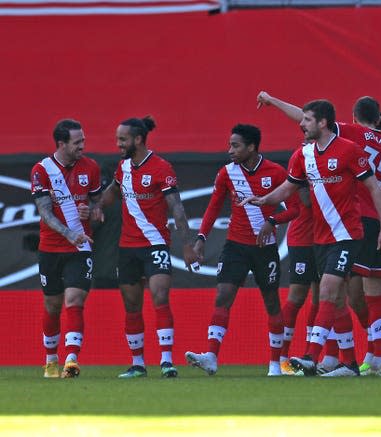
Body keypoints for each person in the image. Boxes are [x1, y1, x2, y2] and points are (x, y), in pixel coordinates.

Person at [257, 92, 381, 376]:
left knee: (334, 291)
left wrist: (274, 101)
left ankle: (315, 356)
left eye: (309, 121)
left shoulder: (350, 141)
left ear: (331, 122)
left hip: (351, 228)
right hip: (329, 233)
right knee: (349, 297)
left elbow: (375, 189)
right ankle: (361, 358)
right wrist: (265, 200)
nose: (302, 125)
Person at [184, 124, 298, 377]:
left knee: (271, 303)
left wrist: (272, 222)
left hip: (265, 250)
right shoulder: (226, 173)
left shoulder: (276, 172)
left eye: (235, 146)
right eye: (229, 145)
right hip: (235, 246)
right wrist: (201, 238)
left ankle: (274, 365)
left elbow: (294, 208)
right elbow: (213, 207)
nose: (230, 150)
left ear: (252, 147)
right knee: (223, 296)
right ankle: (211, 357)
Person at [102, 115, 198, 378]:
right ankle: (138, 364)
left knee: (159, 297)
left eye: (122, 139)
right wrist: (98, 206)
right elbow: (113, 189)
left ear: (138, 139)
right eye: (117, 139)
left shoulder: (161, 167)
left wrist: (187, 245)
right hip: (127, 248)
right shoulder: (123, 168)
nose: (118, 144)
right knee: (132, 306)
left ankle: (167, 361)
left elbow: (177, 208)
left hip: (155, 244)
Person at [31, 119, 103, 378]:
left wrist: (93, 211)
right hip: (51, 247)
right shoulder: (42, 170)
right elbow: (45, 213)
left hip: (80, 246)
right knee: (52, 305)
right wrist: (68, 233)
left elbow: (97, 204)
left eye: (83, 141)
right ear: (61, 144)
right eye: (77, 142)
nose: (82, 146)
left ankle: (71, 359)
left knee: (75, 300)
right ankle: (51, 360)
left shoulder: (91, 167)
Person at [278, 185, 320, 376]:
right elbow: (307, 201)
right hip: (302, 239)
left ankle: (309, 357)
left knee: (322, 300)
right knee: (296, 298)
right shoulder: (304, 163)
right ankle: (281, 358)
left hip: (326, 240)